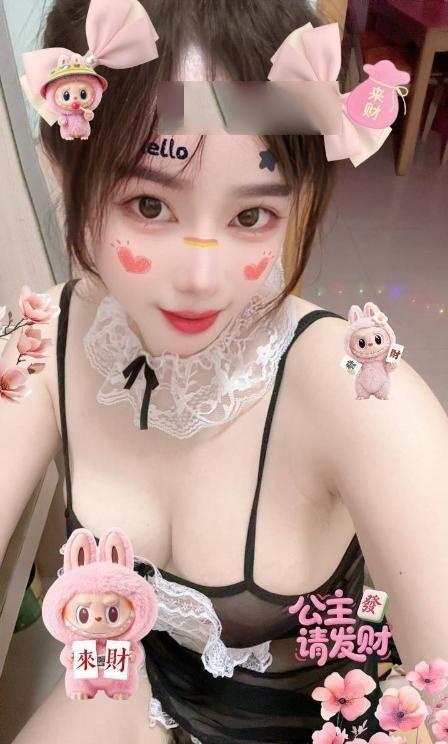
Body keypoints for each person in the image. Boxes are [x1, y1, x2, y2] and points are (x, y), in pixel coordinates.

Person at [1, 1, 447, 743]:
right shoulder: (44, 341)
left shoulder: (362, 395)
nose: (202, 281)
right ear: (64, 164)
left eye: (250, 217)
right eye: (150, 204)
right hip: (138, 692)